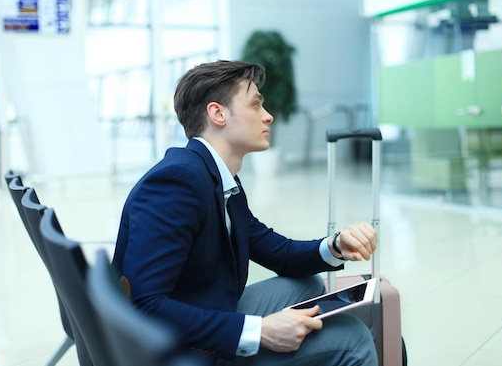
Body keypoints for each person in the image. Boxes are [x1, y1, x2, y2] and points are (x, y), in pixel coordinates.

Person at [112, 60, 378, 366]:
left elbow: (282, 254)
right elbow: (144, 305)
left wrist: (335, 246)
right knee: (354, 338)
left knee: (307, 285)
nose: (268, 116)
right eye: (256, 105)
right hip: (172, 351)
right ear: (218, 113)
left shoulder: (217, 178)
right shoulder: (177, 183)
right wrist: (258, 332)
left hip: (197, 308)